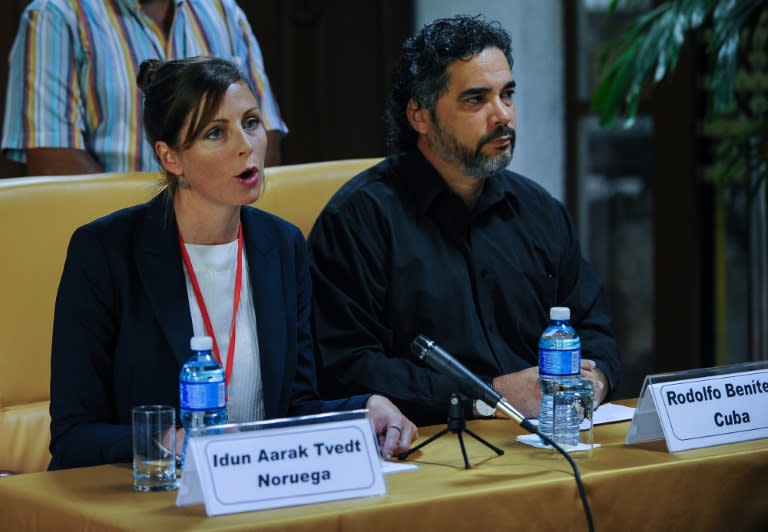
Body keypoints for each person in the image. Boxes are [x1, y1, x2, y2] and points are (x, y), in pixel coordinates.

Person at [48, 56, 416, 470]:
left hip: (254, 488)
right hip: (142, 496)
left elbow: (294, 406)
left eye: (252, 123)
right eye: (215, 133)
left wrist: (364, 411)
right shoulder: (104, 252)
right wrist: (171, 440)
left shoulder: (282, 245)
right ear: (171, 158)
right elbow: (73, 436)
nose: (245, 145)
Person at [308, 15, 622, 427]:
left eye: (507, 95)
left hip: (547, 440)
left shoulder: (539, 211)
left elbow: (593, 328)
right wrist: (488, 395)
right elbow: (347, 368)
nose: (503, 116)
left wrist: (595, 379)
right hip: (428, 449)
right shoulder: (357, 219)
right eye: (476, 100)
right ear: (419, 116)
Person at [1, 0, 287, 175]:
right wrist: (148, 232)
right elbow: (54, 162)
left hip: (221, 234)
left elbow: (265, 129)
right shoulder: (54, 16)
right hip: (117, 249)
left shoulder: (222, 9)